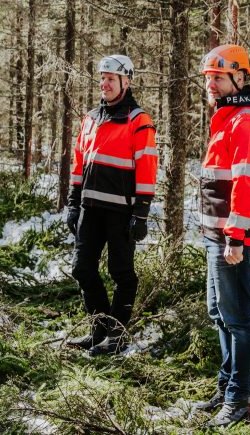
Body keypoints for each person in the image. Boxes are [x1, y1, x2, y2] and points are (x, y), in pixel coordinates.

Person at [194, 44, 250, 427]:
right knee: (219, 313)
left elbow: (246, 183)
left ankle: (240, 399)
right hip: (219, 235)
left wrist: (235, 237)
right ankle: (227, 386)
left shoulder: (246, 121)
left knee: (238, 319)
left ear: (240, 78)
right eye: (208, 77)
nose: (211, 84)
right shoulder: (227, 117)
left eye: (219, 77)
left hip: (235, 238)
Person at [64, 54, 158, 356]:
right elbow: (79, 163)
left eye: (111, 79)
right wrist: (73, 204)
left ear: (125, 82)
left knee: (122, 274)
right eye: (102, 78)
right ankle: (99, 329)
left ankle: (117, 338)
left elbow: (147, 168)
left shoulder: (138, 120)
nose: (104, 83)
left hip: (122, 212)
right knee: (82, 269)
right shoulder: (90, 119)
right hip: (90, 209)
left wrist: (141, 213)